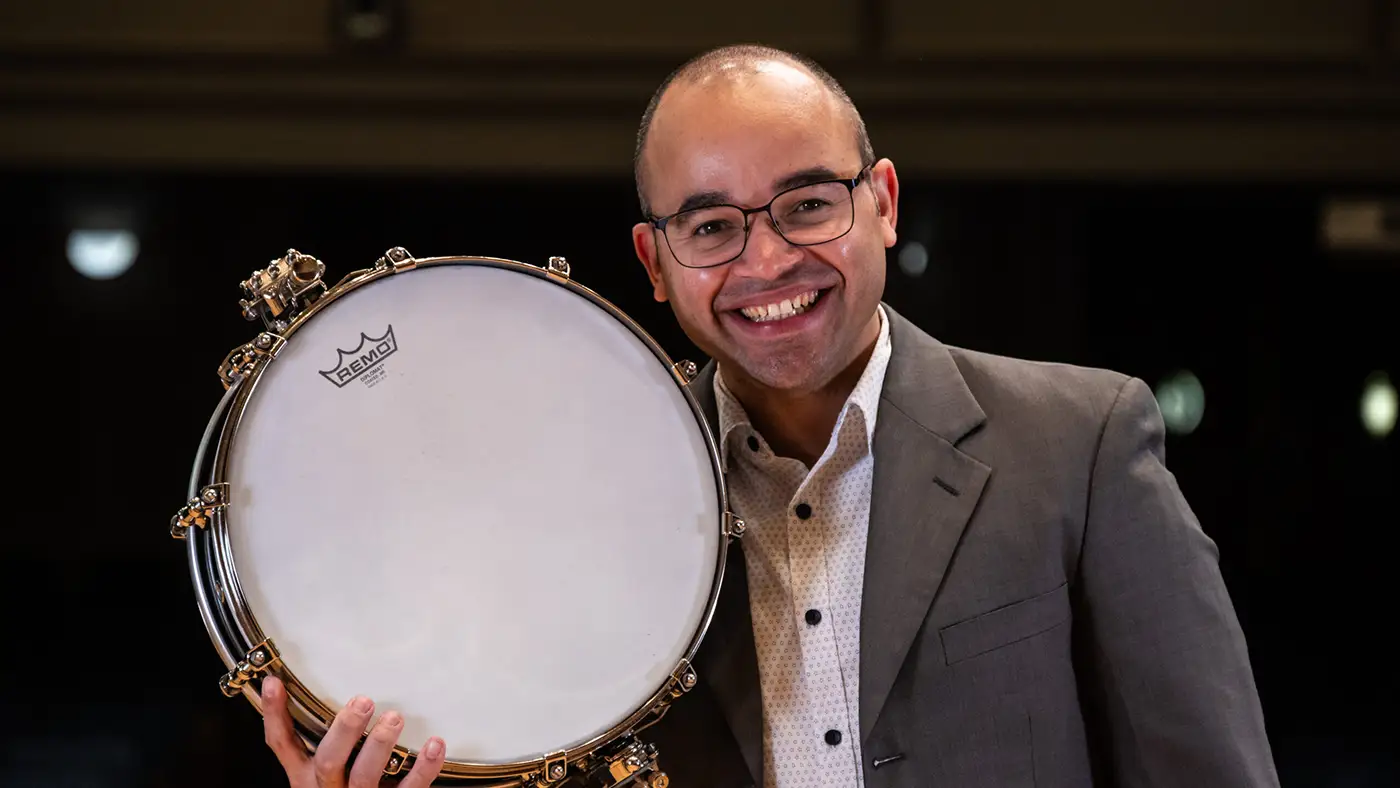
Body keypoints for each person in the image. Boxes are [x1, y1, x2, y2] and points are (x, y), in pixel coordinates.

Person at [260, 44, 1280, 787]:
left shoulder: (1081, 441)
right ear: (655, 264)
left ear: (880, 200)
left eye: (805, 204)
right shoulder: (579, 504)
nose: (765, 262)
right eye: (710, 225)